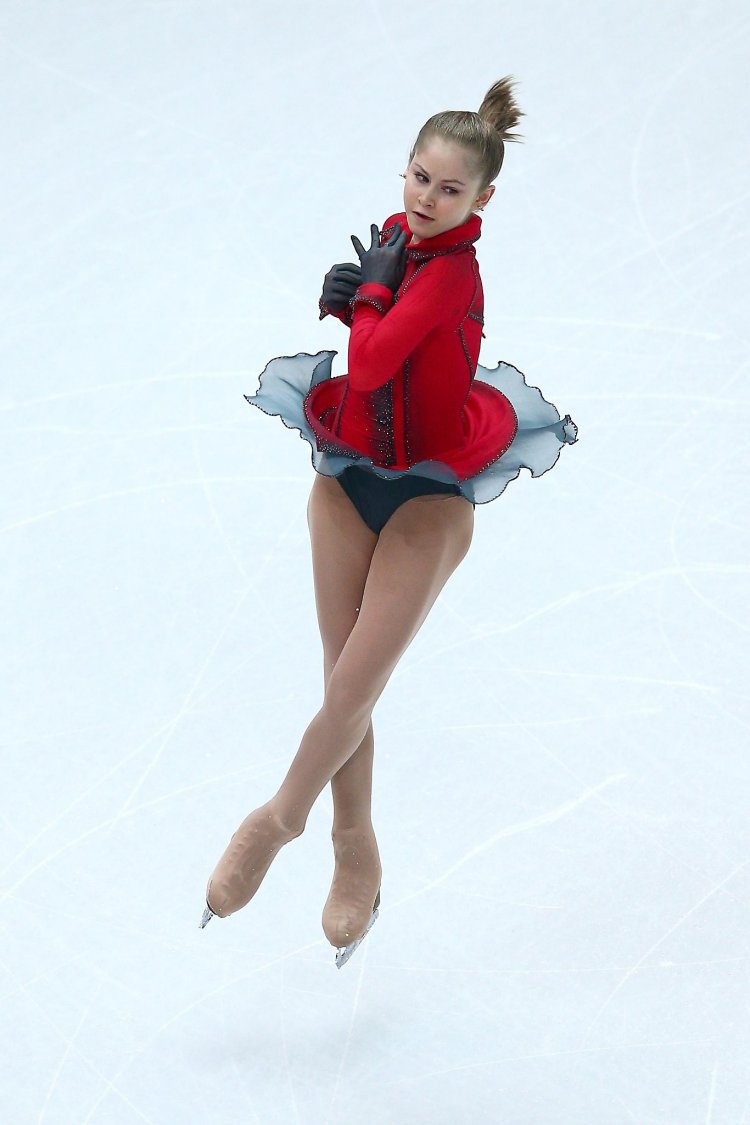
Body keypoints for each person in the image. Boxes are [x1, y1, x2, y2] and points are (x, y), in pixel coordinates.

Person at [200, 77, 577, 967]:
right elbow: (375, 353)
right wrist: (354, 294)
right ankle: (355, 843)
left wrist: (367, 306)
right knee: (346, 685)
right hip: (346, 477)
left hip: (429, 497)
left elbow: (370, 363)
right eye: (419, 177)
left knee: (354, 686)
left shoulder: (453, 272)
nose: (426, 198)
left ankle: (279, 819)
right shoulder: (402, 245)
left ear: (484, 199)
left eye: (450, 189)